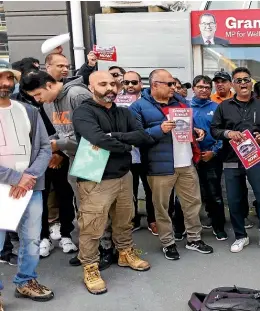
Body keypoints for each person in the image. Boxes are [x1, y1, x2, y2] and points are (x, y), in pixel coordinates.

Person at [72, 71, 153, 295]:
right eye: (103, 84)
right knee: (91, 226)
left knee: (124, 219)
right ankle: (90, 266)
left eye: (113, 83)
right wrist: (126, 145)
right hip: (94, 175)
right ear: (91, 87)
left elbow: (142, 136)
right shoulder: (83, 112)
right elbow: (97, 139)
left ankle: (125, 253)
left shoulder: (125, 112)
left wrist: (114, 137)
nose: (110, 88)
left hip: (123, 175)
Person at [130, 69, 213, 261]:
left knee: (192, 203)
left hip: (186, 162)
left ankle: (194, 239)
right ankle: (168, 243)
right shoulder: (138, 107)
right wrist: (159, 129)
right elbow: (137, 137)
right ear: (155, 85)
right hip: (160, 166)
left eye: (174, 84)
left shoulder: (180, 102)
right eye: (169, 84)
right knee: (162, 207)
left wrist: (196, 131)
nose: (173, 87)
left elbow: (186, 127)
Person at [20, 70, 91, 257]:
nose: (37, 100)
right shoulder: (48, 104)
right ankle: (90, 251)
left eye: (38, 94)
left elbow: (94, 136)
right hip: (74, 158)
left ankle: (102, 248)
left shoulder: (77, 95)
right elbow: (61, 133)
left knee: (93, 208)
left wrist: (57, 145)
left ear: (49, 85)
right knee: (83, 208)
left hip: (91, 158)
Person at [0, 67, 54, 308]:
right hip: (4, 187)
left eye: (9, 77)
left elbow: (44, 146)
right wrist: (14, 177)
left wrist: (29, 176)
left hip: (30, 186)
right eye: (0, 78)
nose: (5, 83)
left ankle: (26, 281)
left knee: (31, 239)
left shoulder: (29, 110)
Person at [210, 67, 260, 255]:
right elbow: (214, 130)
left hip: (255, 158)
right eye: (238, 81)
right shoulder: (224, 106)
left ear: (251, 83)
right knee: (234, 200)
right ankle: (241, 236)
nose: (242, 84)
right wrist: (228, 133)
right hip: (231, 159)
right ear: (232, 84)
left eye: (246, 80)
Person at [190, 74, 228, 241]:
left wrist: (214, 151)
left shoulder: (217, 107)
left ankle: (218, 226)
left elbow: (221, 133)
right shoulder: (185, 108)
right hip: (189, 157)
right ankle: (183, 227)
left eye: (207, 87)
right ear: (193, 89)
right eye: (200, 87)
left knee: (214, 194)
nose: (204, 90)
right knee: (188, 195)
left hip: (211, 156)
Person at [120, 71, 156, 234]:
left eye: (134, 82)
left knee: (150, 189)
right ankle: (132, 219)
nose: (130, 86)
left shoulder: (148, 101)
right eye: (126, 82)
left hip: (147, 152)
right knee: (129, 190)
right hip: (127, 154)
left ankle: (152, 219)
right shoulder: (116, 101)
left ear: (141, 83)